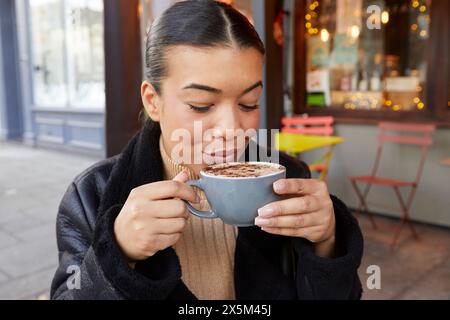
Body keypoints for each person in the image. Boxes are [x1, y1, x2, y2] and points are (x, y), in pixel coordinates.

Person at [51, 0, 363, 300]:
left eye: (248, 103)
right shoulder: (92, 195)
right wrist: (118, 254)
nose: (231, 129)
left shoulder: (289, 179)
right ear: (152, 101)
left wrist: (328, 243)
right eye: (201, 105)